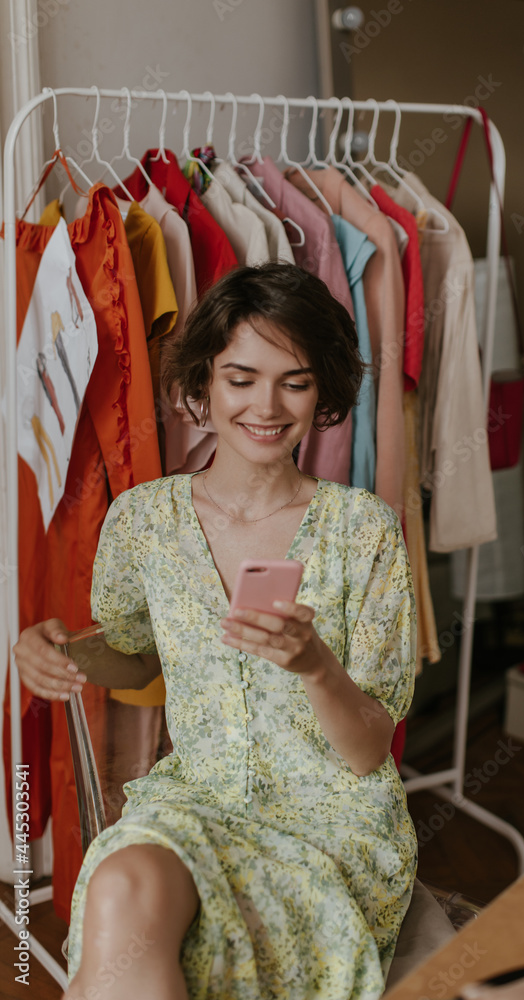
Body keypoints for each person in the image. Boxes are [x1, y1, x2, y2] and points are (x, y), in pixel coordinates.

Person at [14, 262, 418, 1000]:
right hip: (195, 800)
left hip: (329, 827)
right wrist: (57, 652)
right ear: (200, 386)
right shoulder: (142, 520)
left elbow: (367, 749)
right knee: (121, 885)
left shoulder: (363, 532)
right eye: (240, 378)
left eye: (294, 381)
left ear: (322, 391)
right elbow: (133, 660)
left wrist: (315, 667)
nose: (266, 405)